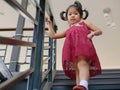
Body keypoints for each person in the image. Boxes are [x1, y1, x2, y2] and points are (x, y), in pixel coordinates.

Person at [46, 1, 102, 90]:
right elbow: (53, 36)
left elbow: (99, 31)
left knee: (83, 64)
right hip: (72, 51)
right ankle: (80, 86)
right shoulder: (68, 30)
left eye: (75, 13)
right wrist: (49, 24)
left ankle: (84, 84)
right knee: (77, 69)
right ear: (66, 17)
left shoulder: (84, 24)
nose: (72, 15)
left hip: (84, 48)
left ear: (81, 16)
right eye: (70, 14)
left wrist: (93, 33)